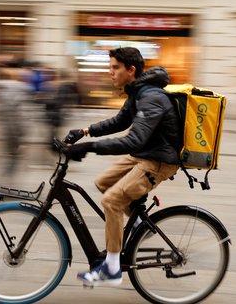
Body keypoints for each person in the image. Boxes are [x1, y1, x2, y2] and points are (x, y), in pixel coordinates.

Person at [63, 47, 180, 286]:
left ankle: (112, 268)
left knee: (112, 201)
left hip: (158, 161)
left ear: (131, 70)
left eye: (115, 67)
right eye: (111, 67)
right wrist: (84, 132)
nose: (110, 72)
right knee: (102, 183)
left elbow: (133, 139)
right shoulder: (137, 93)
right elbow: (120, 121)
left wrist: (89, 147)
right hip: (144, 154)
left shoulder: (152, 98)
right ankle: (137, 226)